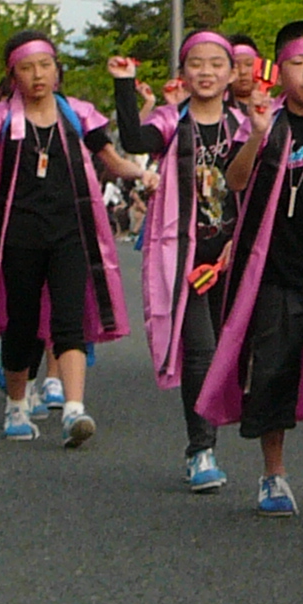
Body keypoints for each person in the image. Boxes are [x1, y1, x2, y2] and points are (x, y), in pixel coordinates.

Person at [200, 20, 303, 521]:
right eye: (297, 63)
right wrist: (256, 135)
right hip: (275, 277)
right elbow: (234, 180)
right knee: (270, 377)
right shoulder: (265, 125)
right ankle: (274, 474)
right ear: (278, 71)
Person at [0, 34, 138, 445]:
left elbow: (113, 161)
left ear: (57, 70)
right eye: (26, 68)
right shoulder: (3, 116)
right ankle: (17, 404)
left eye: (45, 65)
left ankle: (74, 410)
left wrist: (145, 175)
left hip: (71, 232)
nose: (37, 75)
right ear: (13, 76)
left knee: (69, 321)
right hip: (19, 236)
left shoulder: (77, 115)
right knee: (21, 325)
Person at [111, 31, 252, 493]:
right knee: (200, 351)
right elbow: (133, 138)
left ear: (231, 74)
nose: (206, 72)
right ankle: (201, 450)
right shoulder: (171, 122)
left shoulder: (244, 125)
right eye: (196, 63)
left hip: (232, 253)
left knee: (233, 352)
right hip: (185, 255)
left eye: (216, 64)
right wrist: (125, 85)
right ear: (183, 72)